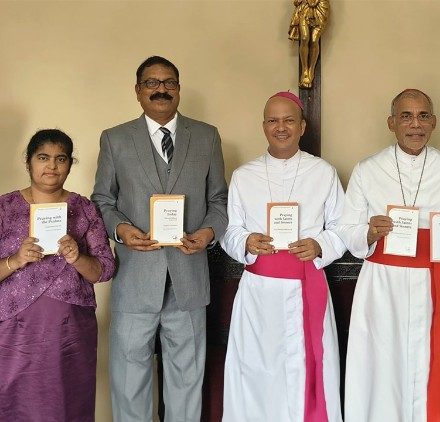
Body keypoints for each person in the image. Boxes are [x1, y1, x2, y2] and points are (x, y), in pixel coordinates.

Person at [92, 56, 228, 421]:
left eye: (169, 82)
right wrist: (121, 231)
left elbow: (218, 200)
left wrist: (207, 233)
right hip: (136, 276)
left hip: (189, 276)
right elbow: (102, 201)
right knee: (128, 375)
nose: (161, 89)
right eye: (151, 83)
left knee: (187, 376)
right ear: (138, 91)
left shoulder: (207, 136)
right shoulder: (115, 139)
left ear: (179, 89)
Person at [336, 89, 440, 421]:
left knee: (438, 364)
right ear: (391, 122)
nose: (415, 124)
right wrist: (369, 233)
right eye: (406, 116)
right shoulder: (367, 170)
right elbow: (347, 228)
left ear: (434, 122)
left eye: (423, 116)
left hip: (438, 282)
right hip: (383, 285)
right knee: (384, 367)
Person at [220, 91, 346, 421]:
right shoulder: (244, 176)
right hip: (259, 292)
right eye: (273, 120)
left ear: (302, 126)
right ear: (263, 126)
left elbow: (341, 227)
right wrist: (247, 241)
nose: (281, 127)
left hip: (307, 284)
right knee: (257, 370)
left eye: (289, 120)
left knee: (305, 367)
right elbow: (229, 231)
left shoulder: (323, 173)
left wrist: (319, 245)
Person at [0, 129, 115, 421]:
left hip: (70, 330)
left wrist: (77, 258)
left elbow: (105, 270)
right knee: (14, 401)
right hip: (15, 329)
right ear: (28, 163)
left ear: (69, 164)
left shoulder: (84, 208)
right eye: (43, 157)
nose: (51, 166)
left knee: (67, 400)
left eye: (60, 158)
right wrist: (15, 260)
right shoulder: (4, 208)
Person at [288, 0, 330, 88]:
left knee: (314, 40)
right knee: (304, 38)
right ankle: (304, 70)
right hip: (304, 8)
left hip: (320, 8)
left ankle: (311, 70)